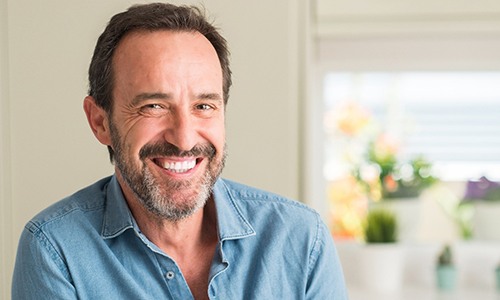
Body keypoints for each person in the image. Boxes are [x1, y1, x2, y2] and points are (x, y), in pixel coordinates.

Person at [12, 3, 347, 299]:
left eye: (204, 106)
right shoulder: (55, 250)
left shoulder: (302, 240)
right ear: (100, 122)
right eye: (154, 106)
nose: (185, 139)